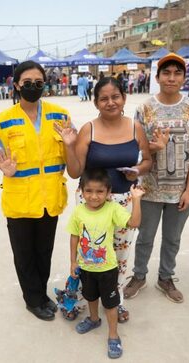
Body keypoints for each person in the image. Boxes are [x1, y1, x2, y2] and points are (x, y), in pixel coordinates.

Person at [57, 77, 152, 323]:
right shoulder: (89, 129)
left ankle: (114, 299)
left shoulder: (135, 128)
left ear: (124, 98)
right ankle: (79, 296)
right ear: (95, 102)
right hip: (90, 202)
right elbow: (76, 172)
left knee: (118, 257)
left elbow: (147, 161)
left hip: (123, 202)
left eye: (115, 97)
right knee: (88, 253)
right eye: (104, 98)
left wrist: (138, 171)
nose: (110, 103)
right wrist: (69, 145)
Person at [0, 60, 72, 321]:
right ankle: (32, 299)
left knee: (43, 251)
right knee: (24, 254)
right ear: (16, 85)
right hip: (20, 200)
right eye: (27, 83)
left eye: (38, 82)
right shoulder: (3, 121)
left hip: (50, 197)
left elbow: (71, 146)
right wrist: (6, 170)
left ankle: (41, 293)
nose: (33, 87)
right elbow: (1, 157)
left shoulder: (60, 115)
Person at [123, 53, 189, 304]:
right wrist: (153, 149)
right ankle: (139, 276)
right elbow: (137, 150)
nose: (171, 78)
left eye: (177, 73)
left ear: (183, 77)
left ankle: (166, 277)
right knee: (145, 237)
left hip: (179, 190)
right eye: (166, 73)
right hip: (150, 188)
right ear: (157, 77)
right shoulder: (144, 109)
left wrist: (188, 189)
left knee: (173, 238)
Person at [67, 168, 144, 359]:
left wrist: (136, 200)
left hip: (107, 269)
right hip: (85, 267)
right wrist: (73, 261)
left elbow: (134, 224)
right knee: (90, 296)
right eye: (89, 191)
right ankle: (93, 319)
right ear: (82, 192)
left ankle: (113, 335)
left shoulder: (112, 209)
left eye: (100, 191)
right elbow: (74, 236)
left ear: (108, 193)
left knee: (110, 304)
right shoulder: (79, 211)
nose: (94, 196)